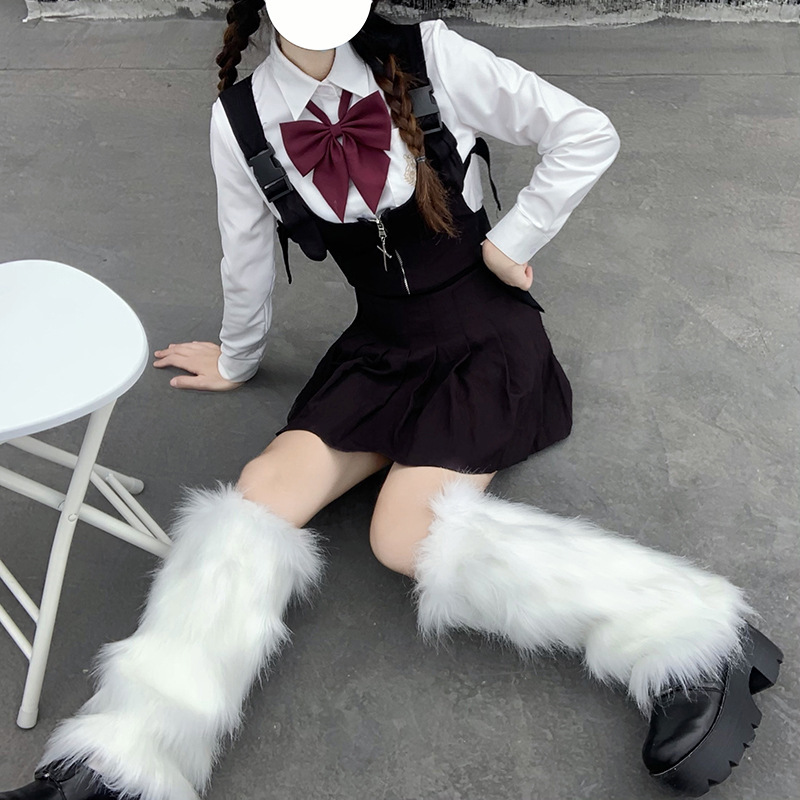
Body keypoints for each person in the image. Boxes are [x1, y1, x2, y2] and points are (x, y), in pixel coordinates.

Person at [1, 1, 782, 799]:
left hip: (487, 342)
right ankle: (128, 757)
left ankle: (691, 639)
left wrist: (511, 241)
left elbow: (585, 131)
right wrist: (236, 359)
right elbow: (245, 256)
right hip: (382, 348)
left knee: (403, 533)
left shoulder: (430, 54)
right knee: (258, 495)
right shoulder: (240, 119)